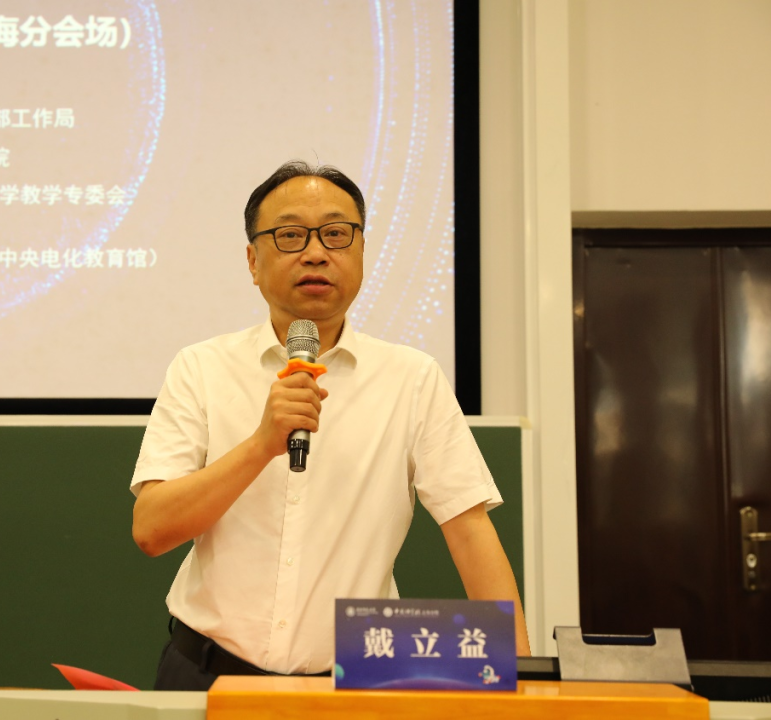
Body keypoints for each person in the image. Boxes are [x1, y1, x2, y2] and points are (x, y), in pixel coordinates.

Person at [130, 161, 530, 691]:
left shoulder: (411, 378)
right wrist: (261, 444)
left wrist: (526, 681)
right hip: (206, 674)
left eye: (337, 234)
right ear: (253, 261)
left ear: (361, 252)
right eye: (291, 235)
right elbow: (152, 530)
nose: (316, 253)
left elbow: (470, 529)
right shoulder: (201, 367)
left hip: (354, 684)